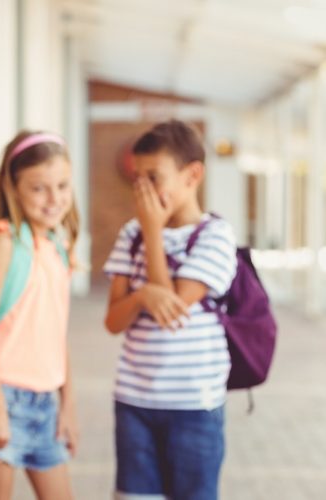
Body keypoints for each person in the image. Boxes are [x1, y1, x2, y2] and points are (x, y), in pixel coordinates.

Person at [103, 120, 238, 500]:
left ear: (192, 174)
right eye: (137, 177)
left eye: (153, 176)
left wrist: (152, 233)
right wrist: (143, 295)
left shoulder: (215, 235)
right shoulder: (131, 235)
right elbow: (113, 321)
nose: (142, 188)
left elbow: (172, 310)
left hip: (195, 405)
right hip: (135, 402)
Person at [0, 131, 80, 500]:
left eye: (62, 186)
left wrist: (68, 405)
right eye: (39, 188)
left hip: (46, 402)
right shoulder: (3, 245)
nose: (54, 199)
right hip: (2, 398)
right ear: (12, 188)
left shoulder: (58, 247)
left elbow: (57, 333)